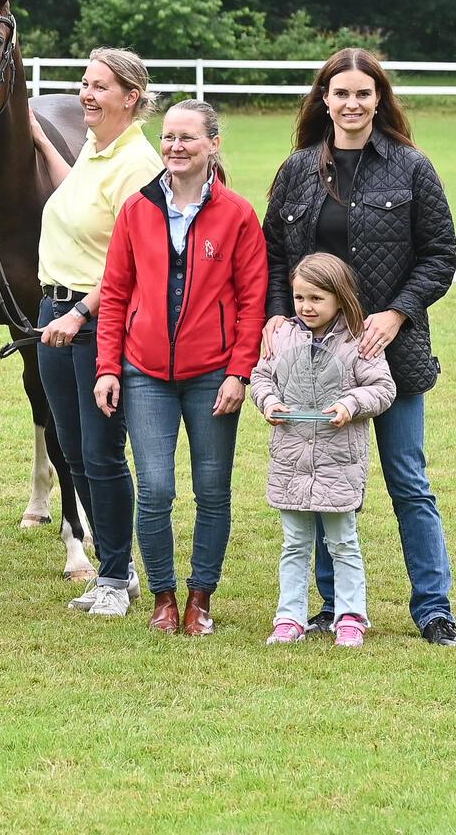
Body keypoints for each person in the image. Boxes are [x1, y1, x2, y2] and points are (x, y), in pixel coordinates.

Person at [263, 47, 456, 646]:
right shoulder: (297, 169)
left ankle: (433, 606)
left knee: (407, 479)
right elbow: (274, 255)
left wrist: (398, 313)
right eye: (340, 93)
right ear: (324, 99)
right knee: (318, 481)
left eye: (363, 94)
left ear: (379, 100)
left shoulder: (411, 168)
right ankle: (330, 605)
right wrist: (275, 318)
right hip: (310, 360)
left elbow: (441, 253)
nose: (351, 104)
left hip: (389, 352)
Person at [92, 100, 266, 635]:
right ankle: (164, 597)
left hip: (213, 375)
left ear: (213, 144)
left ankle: (200, 599)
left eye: (188, 137)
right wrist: (107, 367)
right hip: (144, 374)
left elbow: (252, 301)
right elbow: (116, 294)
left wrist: (240, 372)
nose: (176, 147)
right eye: (168, 137)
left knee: (212, 490)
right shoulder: (136, 210)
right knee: (157, 489)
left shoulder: (237, 214)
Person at [23, 47, 163, 617]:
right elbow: (73, 194)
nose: (86, 94)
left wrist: (79, 313)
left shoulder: (138, 165)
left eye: (100, 86)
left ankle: (113, 575)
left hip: (96, 321)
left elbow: (133, 263)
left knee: (101, 452)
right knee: (74, 449)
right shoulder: (95, 152)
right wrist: (35, 136)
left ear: (131, 97)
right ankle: (117, 569)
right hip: (54, 315)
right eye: (84, 83)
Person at [252, 253, 395, 647]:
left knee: (343, 542)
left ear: (339, 297)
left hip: (338, 462)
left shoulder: (358, 342)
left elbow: (383, 388)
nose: (306, 307)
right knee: (294, 542)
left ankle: (350, 616)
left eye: (316, 298)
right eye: (299, 298)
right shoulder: (282, 336)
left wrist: (351, 403)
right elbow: (260, 376)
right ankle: (289, 617)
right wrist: (267, 402)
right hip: (292, 460)